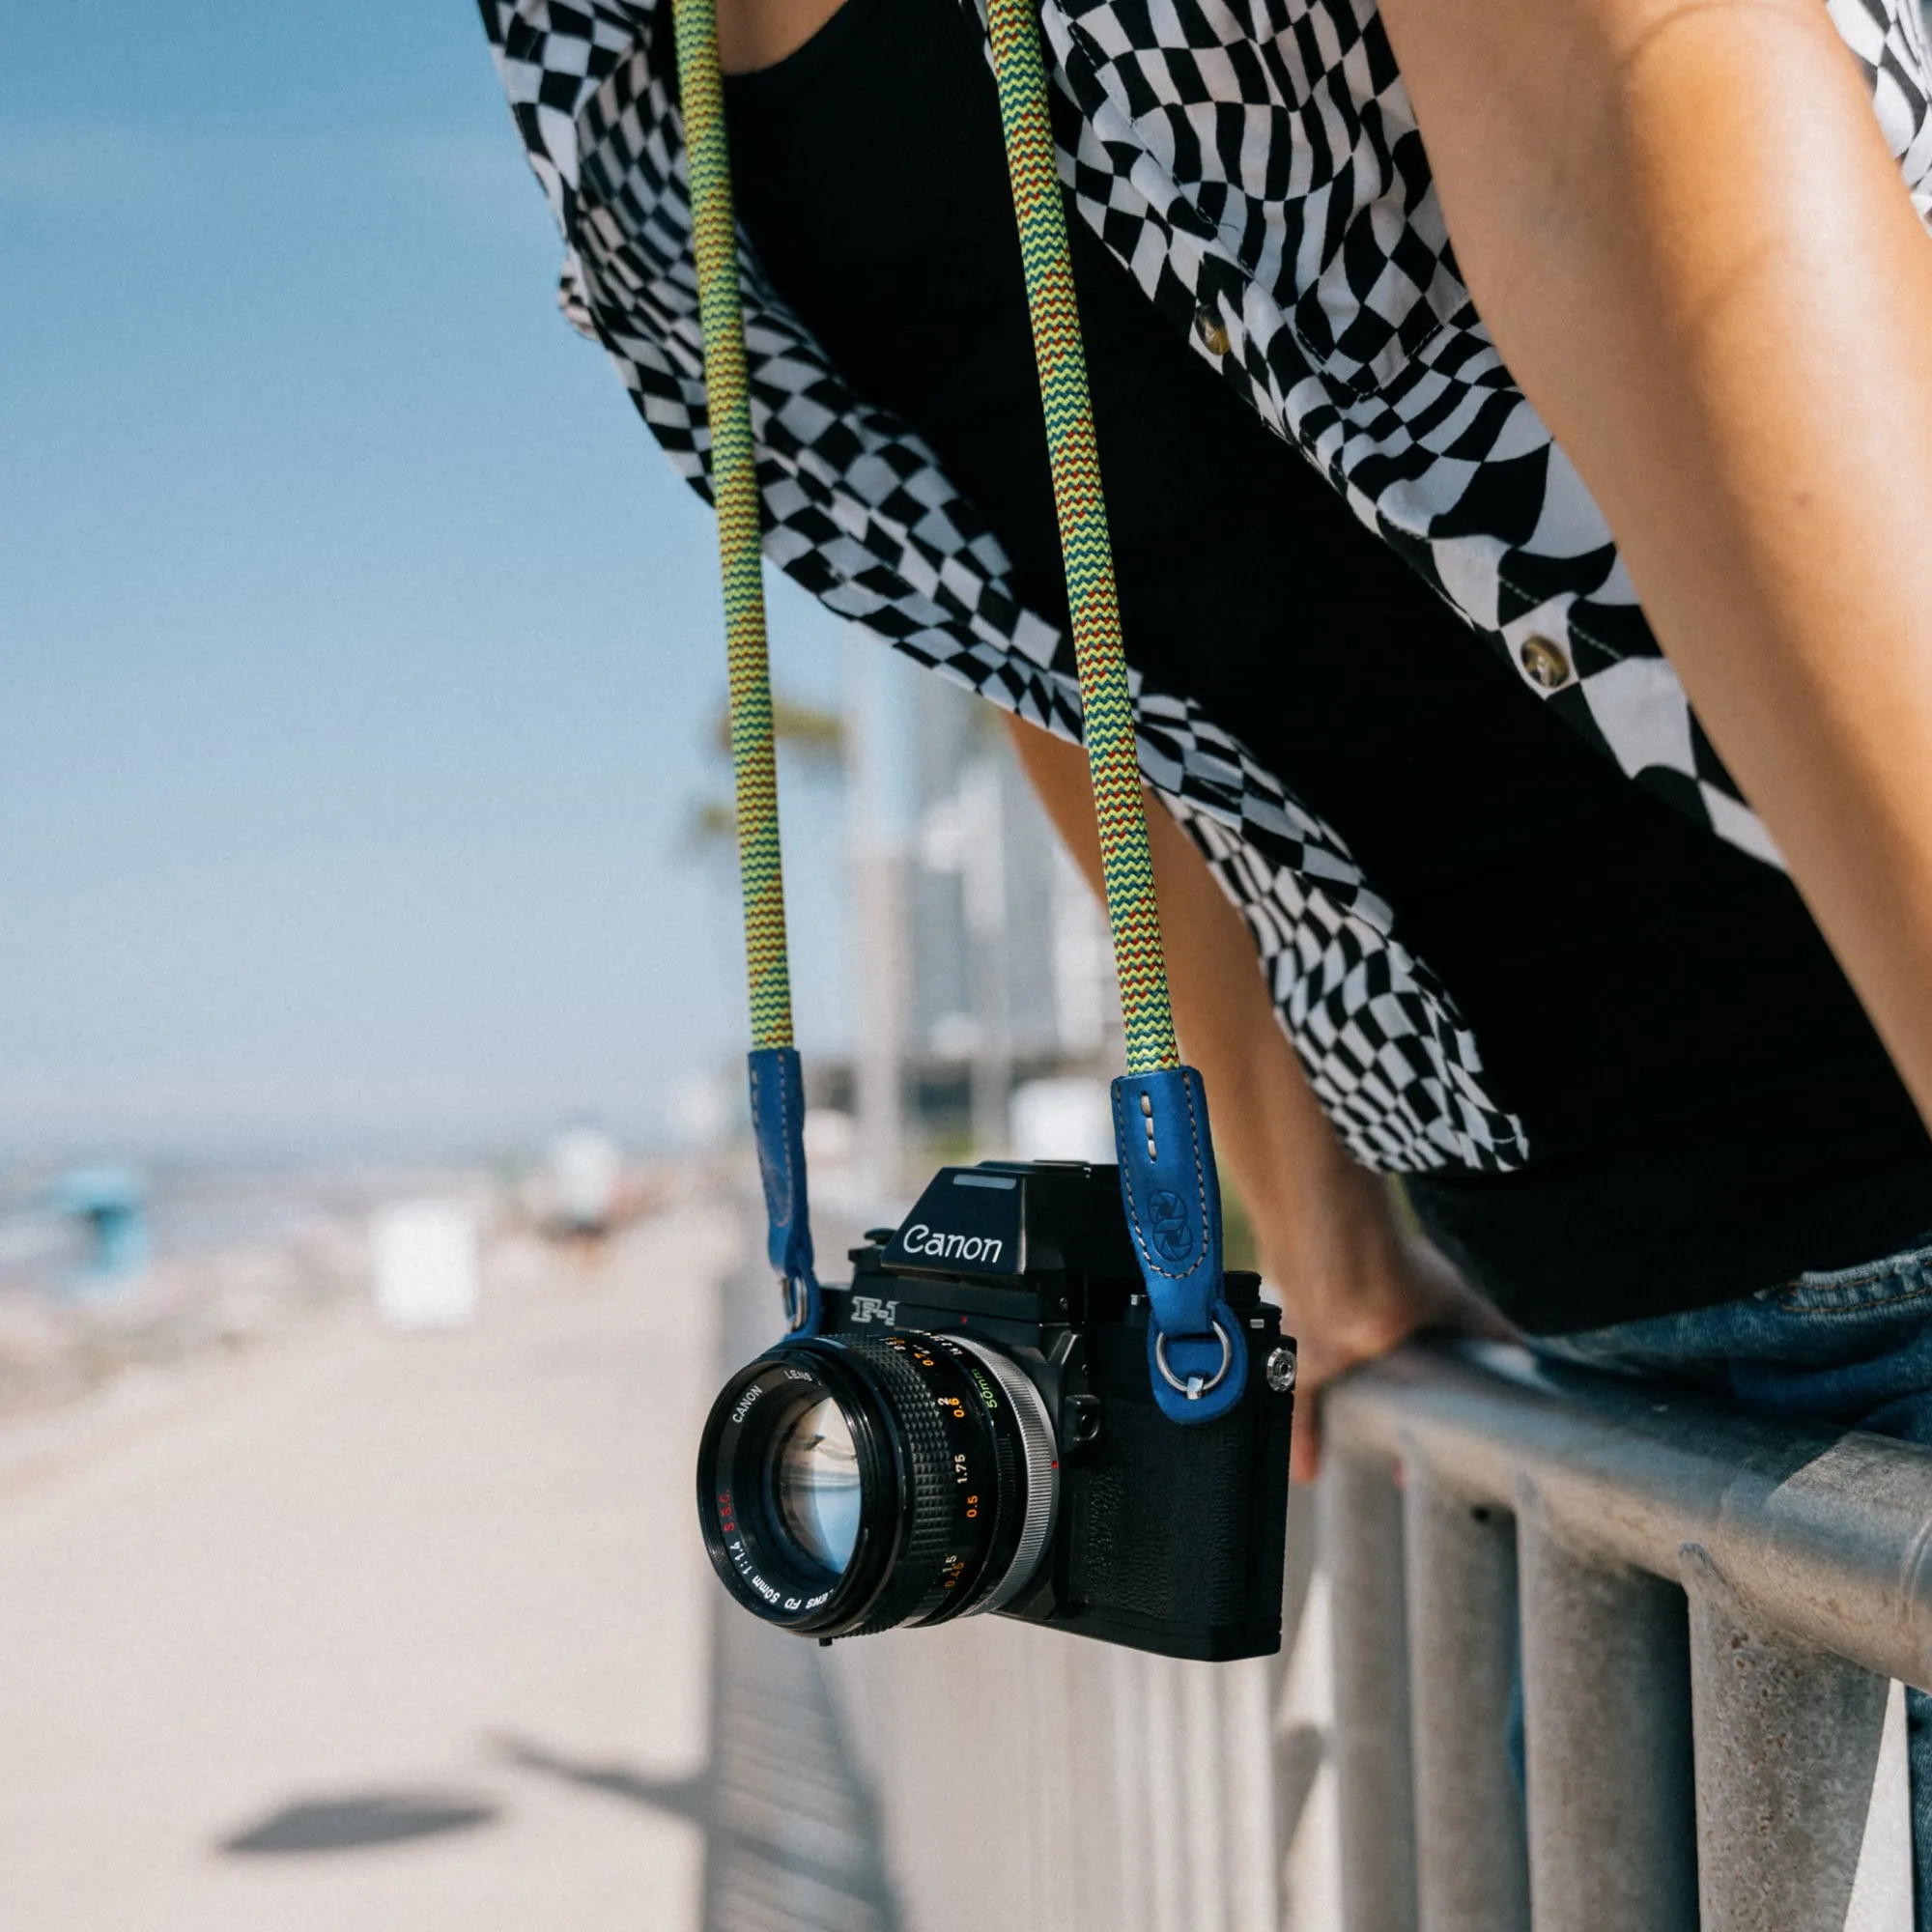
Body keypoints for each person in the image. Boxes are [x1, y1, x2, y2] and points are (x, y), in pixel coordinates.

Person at [480, 0, 1932, 1899]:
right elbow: (1025, 623)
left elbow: (1641, 85)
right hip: (1588, 1336)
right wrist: (1308, 1250)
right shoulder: (586, 52)